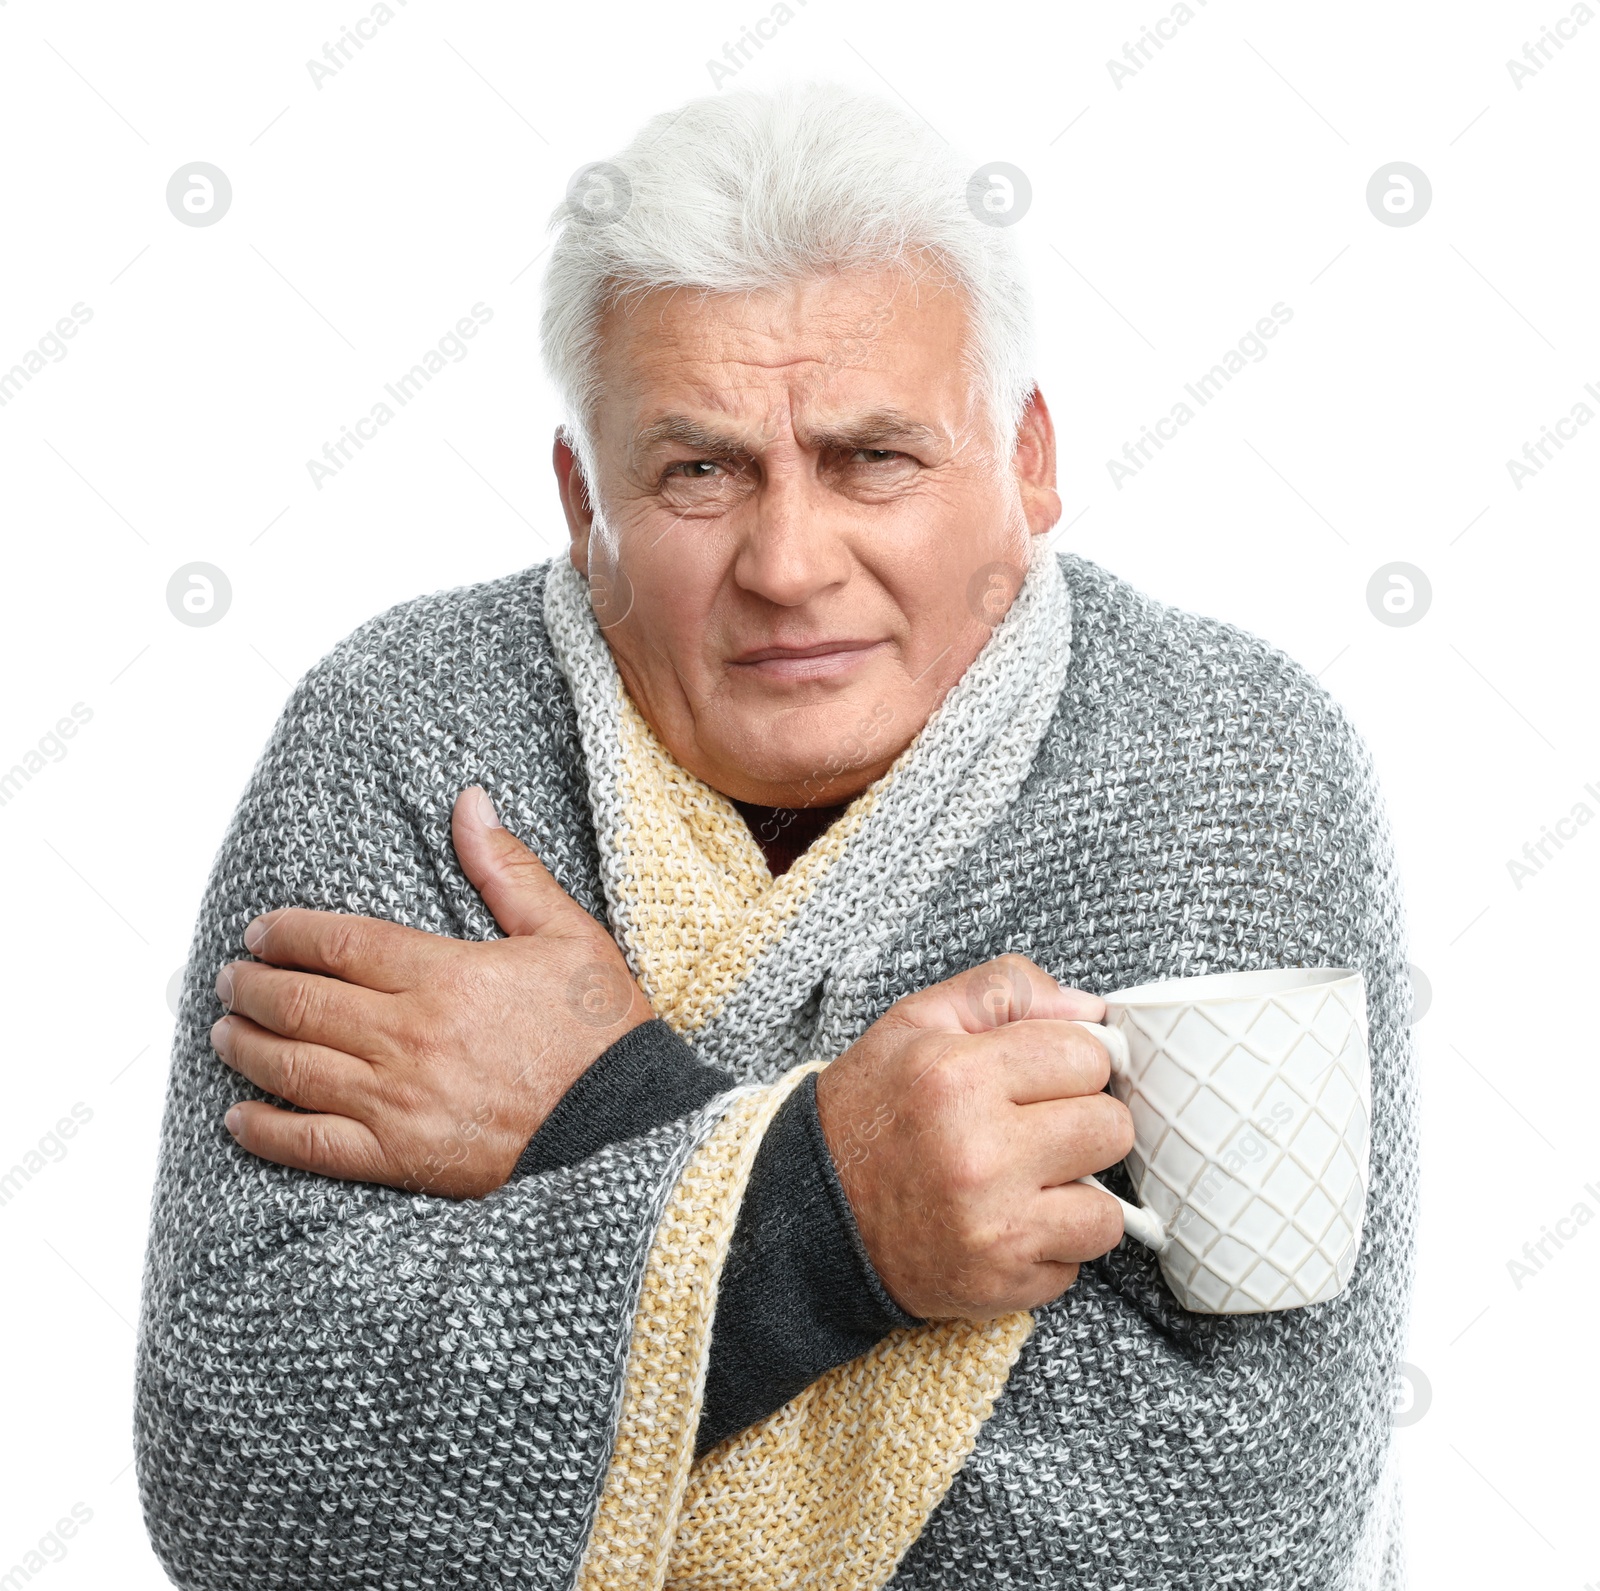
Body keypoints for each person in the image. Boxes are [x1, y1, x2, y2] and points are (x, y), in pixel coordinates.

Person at [136, 81, 1417, 1590]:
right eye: (699, 471)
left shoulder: (1219, 756)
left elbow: (1223, 1530)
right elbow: (246, 1477)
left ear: (1028, 465)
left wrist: (616, 1121)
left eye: (875, 456)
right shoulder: (406, 737)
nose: (791, 565)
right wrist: (840, 1214)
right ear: (580, 494)